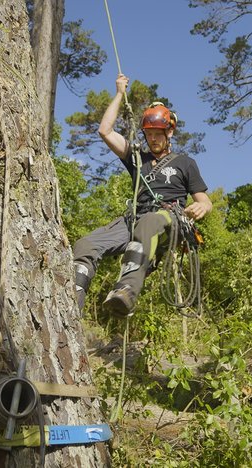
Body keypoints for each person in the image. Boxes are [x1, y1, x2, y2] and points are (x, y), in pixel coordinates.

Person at [73, 74, 212, 318]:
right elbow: (105, 131)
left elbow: (204, 200)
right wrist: (119, 94)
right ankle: (71, 303)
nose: (153, 138)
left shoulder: (185, 163)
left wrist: (202, 208)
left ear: (169, 132)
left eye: (158, 133)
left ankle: (127, 290)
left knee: (149, 223)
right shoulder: (138, 159)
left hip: (169, 218)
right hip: (135, 218)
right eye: (149, 133)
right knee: (85, 244)